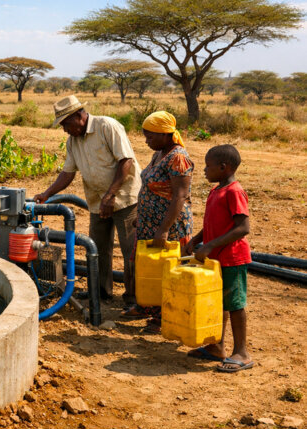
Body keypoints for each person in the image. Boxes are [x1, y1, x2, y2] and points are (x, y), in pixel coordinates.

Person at [33, 95, 141, 303]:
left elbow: (126, 161)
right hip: (97, 201)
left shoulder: (106, 126)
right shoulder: (72, 141)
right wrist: (47, 194)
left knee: (130, 250)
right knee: (97, 249)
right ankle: (100, 292)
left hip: (125, 198)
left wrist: (111, 195)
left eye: (65, 123)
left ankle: (134, 298)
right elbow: (68, 172)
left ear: (79, 116)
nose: (64, 129)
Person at [185, 144, 253, 373]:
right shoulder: (217, 190)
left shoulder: (234, 191)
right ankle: (216, 346)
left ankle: (242, 351)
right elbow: (214, 224)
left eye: (208, 166)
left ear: (223, 167)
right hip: (217, 259)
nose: (204, 170)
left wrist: (211, 245)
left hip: (232, 258)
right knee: (218, 303)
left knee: (234, 304)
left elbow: (242, 227)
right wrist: (196, 240)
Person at [129, 111, 193, 332]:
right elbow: (151, 186)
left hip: (170, 225)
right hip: (150, 223)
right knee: (150, 267)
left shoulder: (178, 157)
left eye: (150, 136)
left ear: (166, 134)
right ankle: (149, 307)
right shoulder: (160, 153)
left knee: (168, 269)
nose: (147, 141)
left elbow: (180, 196)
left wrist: (164, 229)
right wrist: (142, 216)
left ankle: (165, 316)